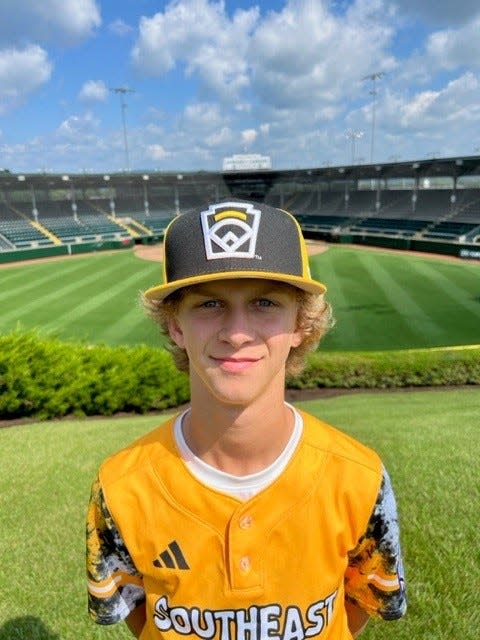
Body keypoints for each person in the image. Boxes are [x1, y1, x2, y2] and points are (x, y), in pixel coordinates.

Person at [86, 200, 407, 639]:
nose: (237, 332)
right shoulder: (120, 486)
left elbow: (362, 604)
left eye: (264, 302)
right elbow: (135, 613)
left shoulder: (360, 476)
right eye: (210, 304)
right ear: (175, 324)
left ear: (300, 323)